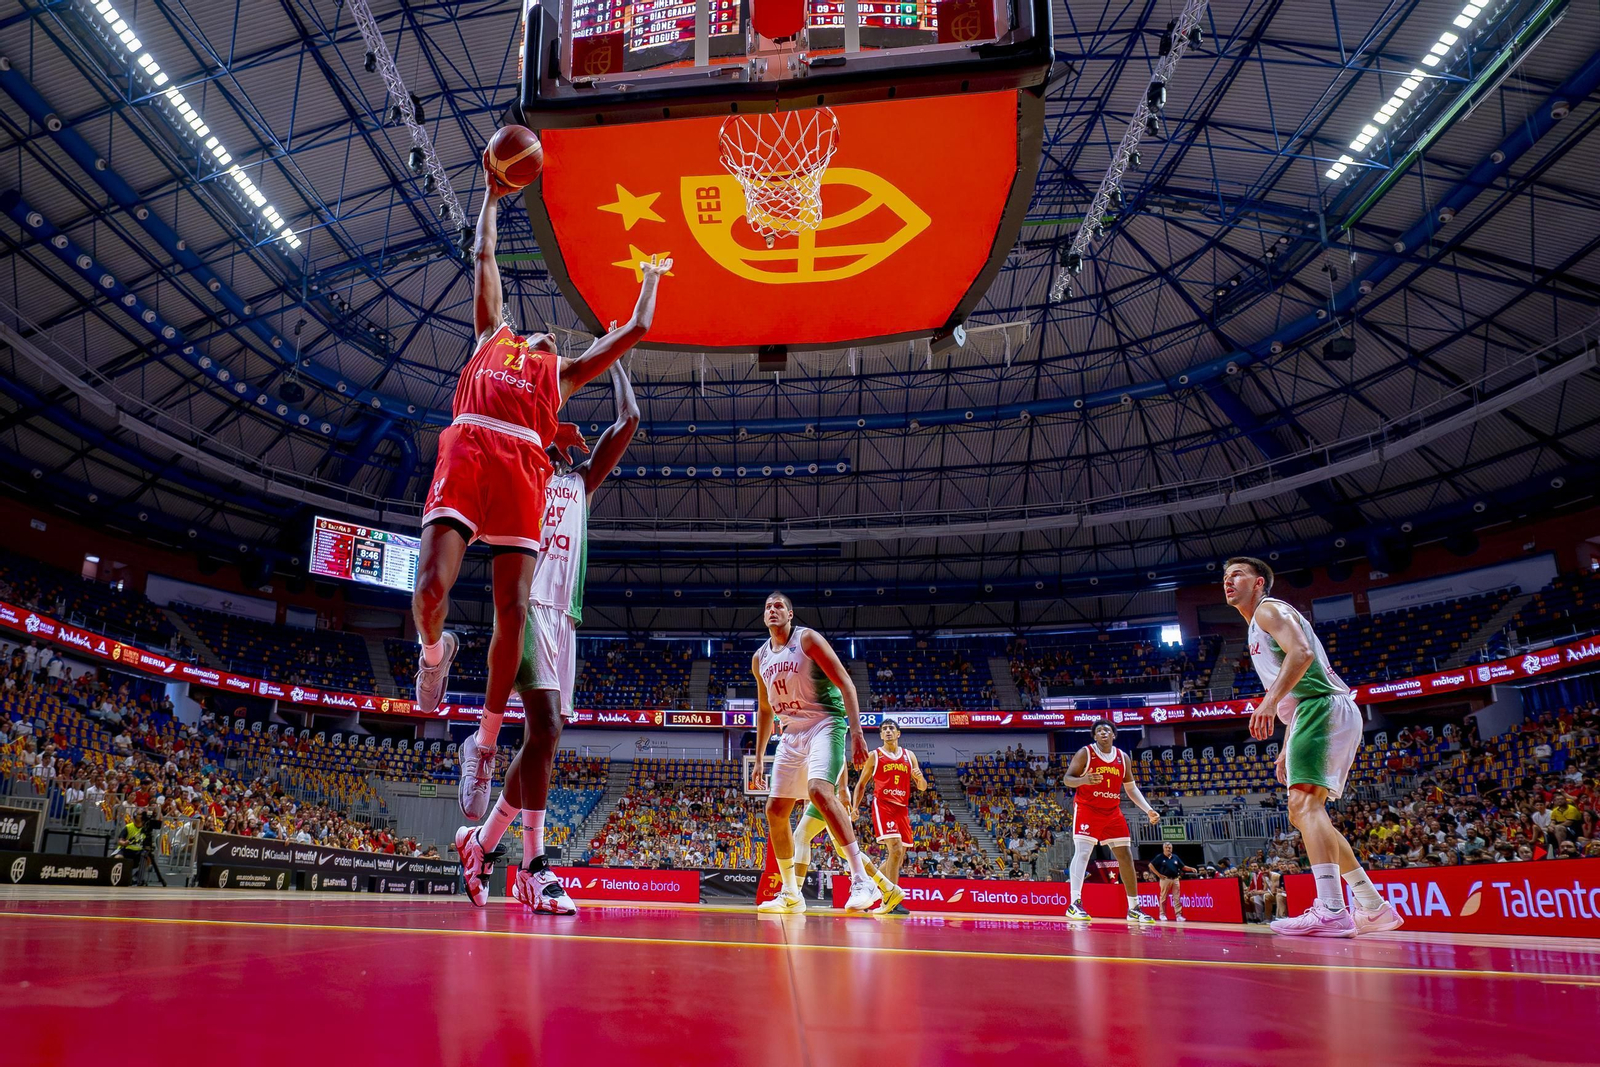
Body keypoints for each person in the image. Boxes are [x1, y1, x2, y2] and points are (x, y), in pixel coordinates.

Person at [411, 144, 671, 823]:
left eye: (562, 343)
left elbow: (638, 330)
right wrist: (492, 199)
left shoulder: (559, 385)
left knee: (515, 615)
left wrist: (649, 277)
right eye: (545, 335)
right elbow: (484, 259)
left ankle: (488, 748)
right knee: (431, 588)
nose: (550, 340)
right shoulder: (491, 337)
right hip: (469, 445)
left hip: (522, 468)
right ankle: (434, 653)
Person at [455, 363, 640, 912]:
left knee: (543, 741)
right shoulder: (525, 464)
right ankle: (533, 865)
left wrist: (616, 358)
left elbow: (628, 419)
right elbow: (509, 425)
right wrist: (547, 426)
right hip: (527, 605)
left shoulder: (580, 482)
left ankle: (482, 843)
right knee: (548, 727)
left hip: (567, 617)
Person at [1223, 555, 1404, 937]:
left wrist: (1267, 704)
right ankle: (1371, 905)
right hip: (1315, 711)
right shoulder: (1257, 625)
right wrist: (1288, 742)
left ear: (1259, 584)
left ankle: (1332, 909)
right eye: (1225, 576)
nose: (1228, 580)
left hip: (1320, 707)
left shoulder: (1269, 609)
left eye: (1238, 574)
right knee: (1304, 812)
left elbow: (1302, 655)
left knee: (1305, 806)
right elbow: (1299, 682)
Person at [749, 592, 881, 914]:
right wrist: (758, 760)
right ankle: (792, 894)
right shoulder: (760, 658)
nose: (772, 610)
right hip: (791, 732)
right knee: (775, 810)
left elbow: (846, 683)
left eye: (779, 606)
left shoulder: (807, 640)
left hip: (825, 723)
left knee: (818, 790)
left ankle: (863, 881)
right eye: (768, 607)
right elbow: (766, 711)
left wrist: (858, 733)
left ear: (790, 613)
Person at [1061, 719, 1160, 923]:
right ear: (1094, 736)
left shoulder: (1123, 758)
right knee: (1083, 853)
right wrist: (1084, 780)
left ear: (1114, 735)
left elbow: (1131, 789)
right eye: (1098, 731)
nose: (1103, 733)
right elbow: (1067, 779)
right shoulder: (1085, 753)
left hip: (1112, 811)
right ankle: (1074, 904)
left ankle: (1134, 908)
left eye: (1107, 730)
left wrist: (1148, 810)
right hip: (1088, 809)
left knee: (1125, 855)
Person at [790, 763, 905, 913]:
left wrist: (843, 789)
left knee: (803, 837)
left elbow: (839, 754)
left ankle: (794, 895)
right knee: (841, 849)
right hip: (824, 792)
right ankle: (888, 888)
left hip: (830, 793)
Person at [849, 718, 927, 887]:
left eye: (891, 728)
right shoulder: (874, 755)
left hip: (902, 809)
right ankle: (891, 898)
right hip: (883, 805)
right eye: (884, 729)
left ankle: (868, 885)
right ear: (881, 734)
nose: (888, 731)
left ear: (898, 733)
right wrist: (855, 807)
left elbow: (922, 787)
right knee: (896, 849)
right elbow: (861, 784)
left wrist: (920, 779)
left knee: (897, 859)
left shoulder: (909, 755)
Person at [1147, 841, 1196, 921]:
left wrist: (1191, 868)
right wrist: (1158, 874)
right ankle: (1162, 914)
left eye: (1169, 848)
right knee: (1163, 897)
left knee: (1177, 898)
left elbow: (1183, 867)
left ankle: (1178, 915)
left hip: (1175, 879)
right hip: (1165, 879)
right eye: (1166, 848)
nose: (1168, 849)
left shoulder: (1175, 857)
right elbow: (1150, 865)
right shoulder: (1160, 857)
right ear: (1163, 849)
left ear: (1172, 848)